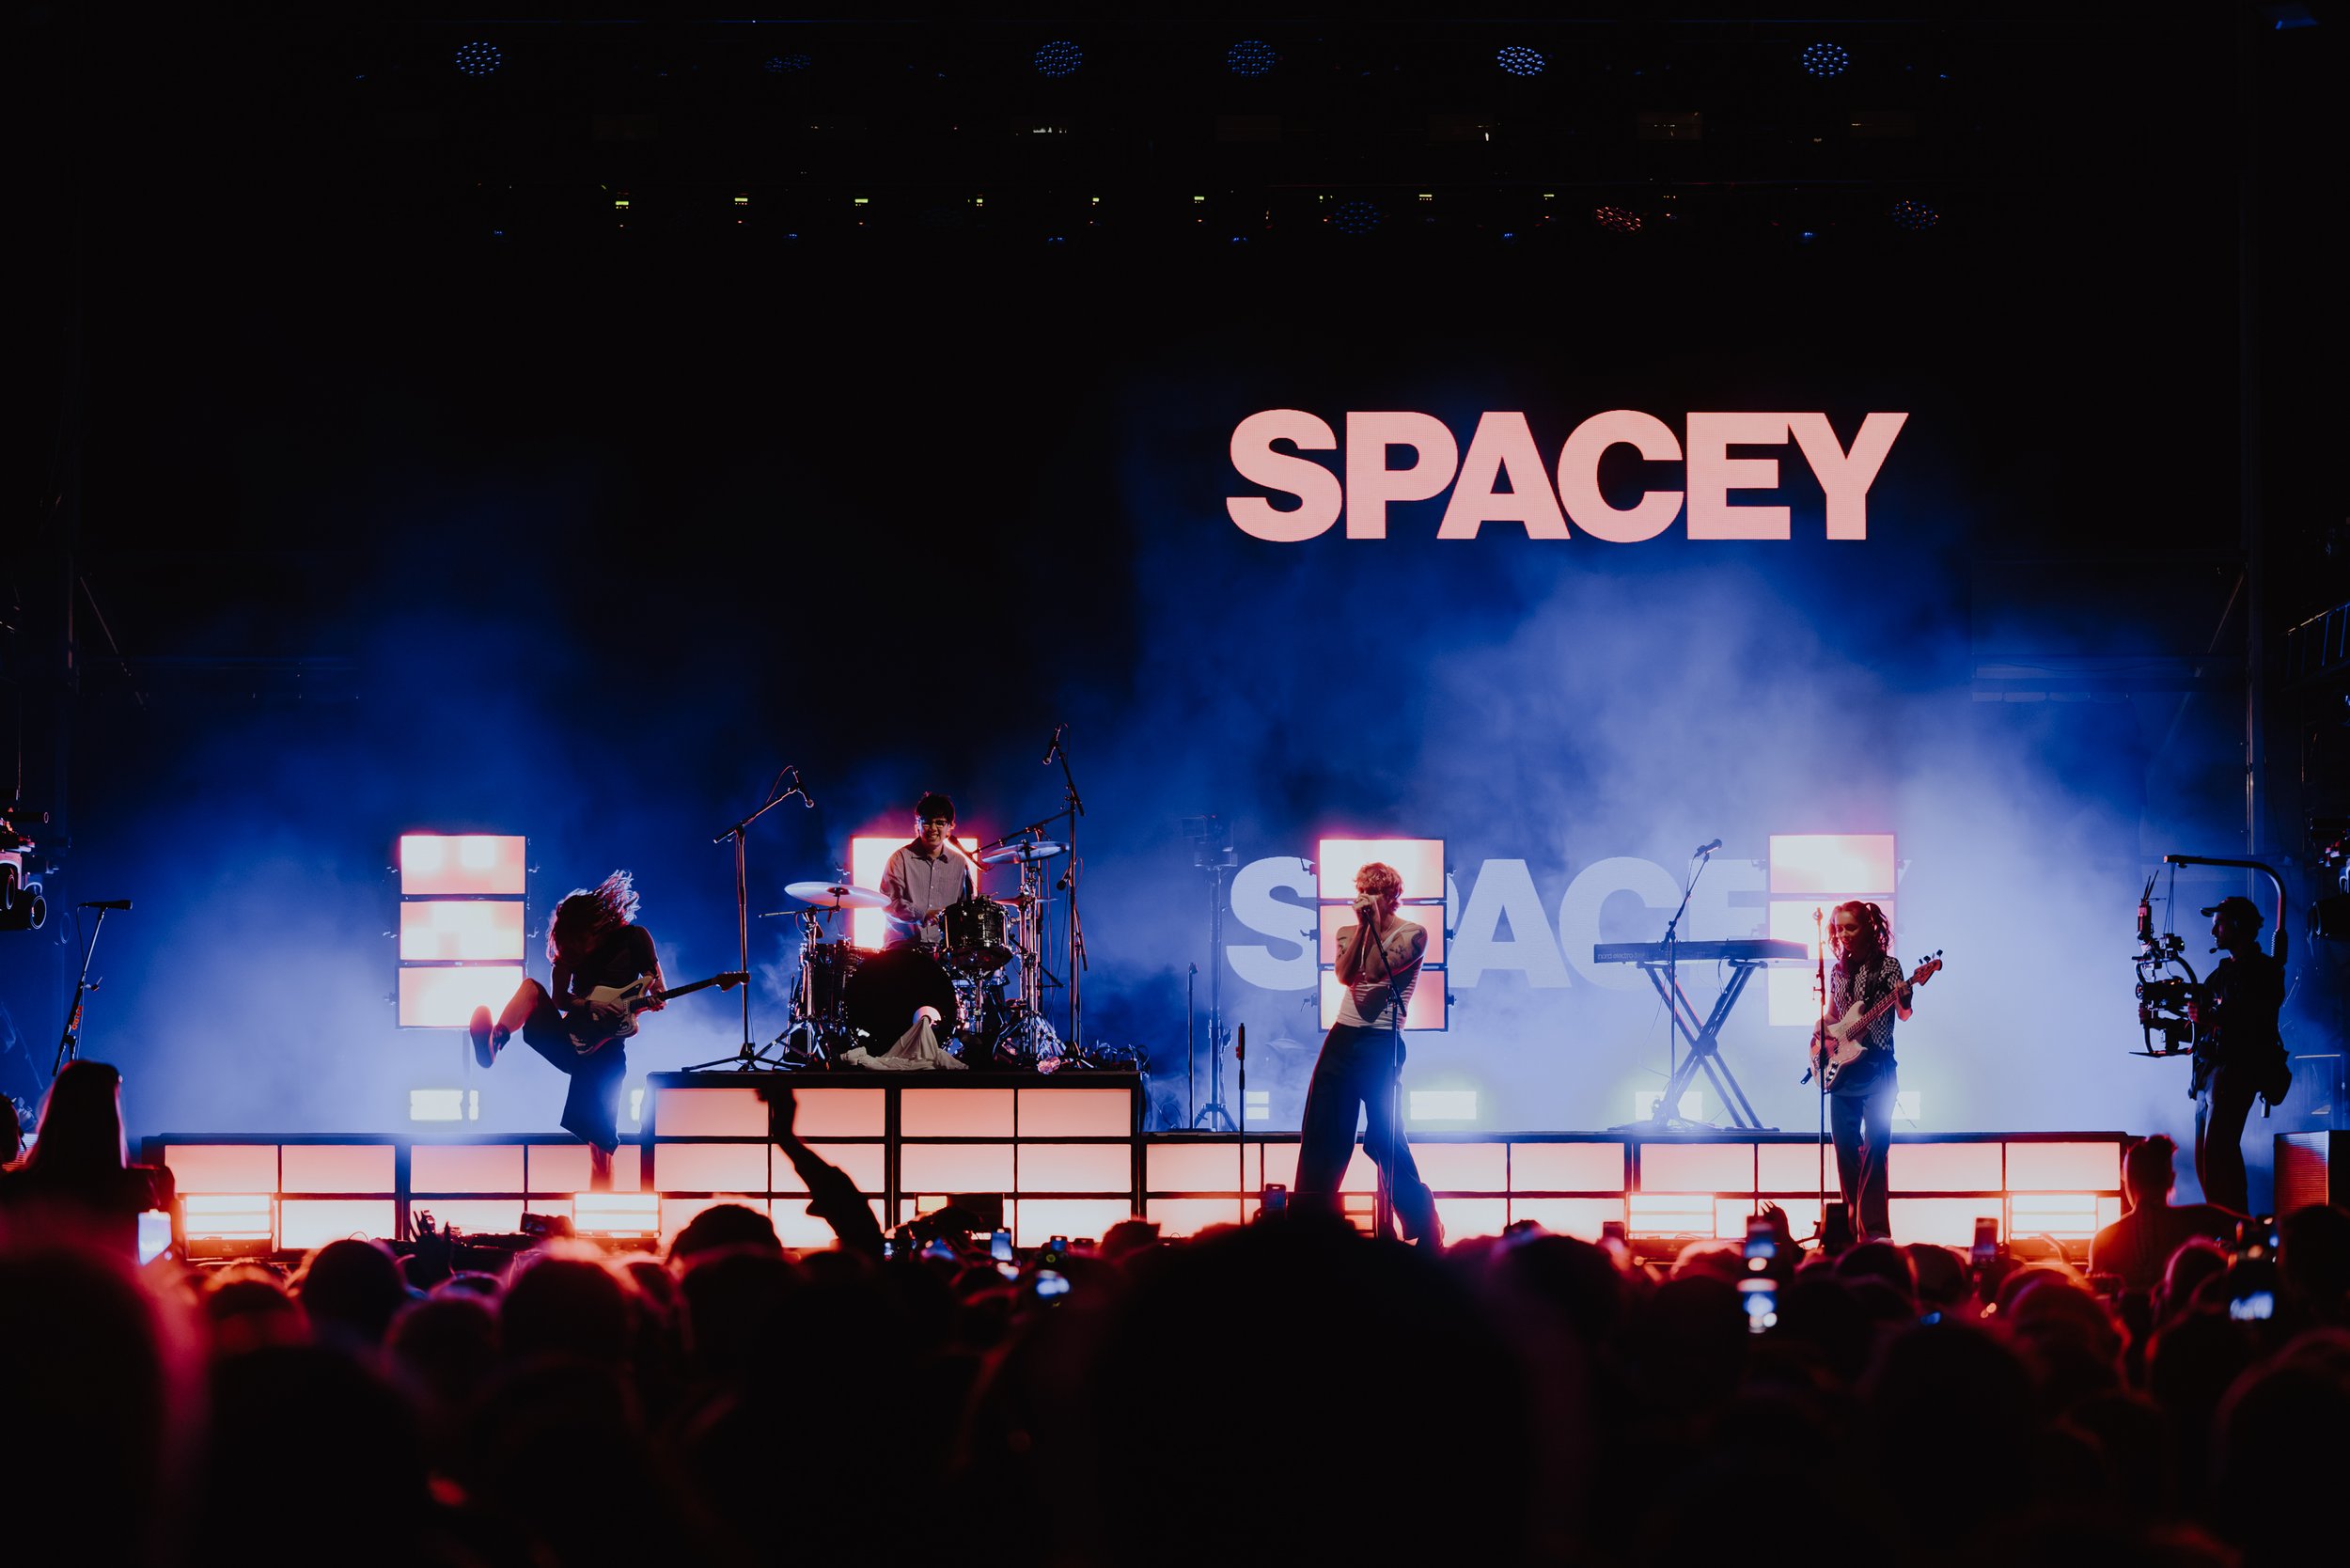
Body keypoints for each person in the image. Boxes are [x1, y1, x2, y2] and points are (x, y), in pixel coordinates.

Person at [469, 870, 665, 1190]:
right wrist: (589, 1005)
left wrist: (653, 1002)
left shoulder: (635, 939)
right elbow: (559, 999)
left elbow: (657, 988)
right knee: (530, 988)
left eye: (581, 942)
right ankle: (495, 1043)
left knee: (600, 1148)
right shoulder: (568, 955)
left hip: (605, 1053)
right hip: (569, 1038)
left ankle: (600, 1211)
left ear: (597, 926)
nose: (578, 951)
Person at [1293, 861, 1440, 1247]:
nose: (1364, 898)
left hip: (1382, 1042)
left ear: (1391, 897)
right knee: (1324, 1132)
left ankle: (1424, 1220)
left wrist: (1372, 925)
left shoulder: (1414, 934)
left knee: (1383, 1137)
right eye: (1361, 890)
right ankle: (1308, 1227)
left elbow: (1374, 972)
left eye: (1372, 892)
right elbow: (1345, 976)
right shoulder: (1348, 932)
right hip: (1342, 1038)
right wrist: (1362, 928)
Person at [0, 1059, 174, 1259]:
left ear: (54, 1112)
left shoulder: (16, 1188)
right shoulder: (136, 1188)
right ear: (111, 1120)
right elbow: (161, 1258)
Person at [2187, 894, 2291, 1215]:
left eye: (2218, 924)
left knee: (2220, 1153)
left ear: (2236, 925)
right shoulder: (2220, 975)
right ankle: (2223, 1220)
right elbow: (2198, 1018)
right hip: (2209, 1074)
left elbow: (2255, 1017)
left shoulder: (2265, 971)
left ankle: (2232, 1223)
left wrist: (2212, 1018)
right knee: (2206, 1159)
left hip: (2236, 1071)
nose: (2213, 932)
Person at [1821, 900, 1913, 1244]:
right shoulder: (1837, 971)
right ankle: (1850, 1231)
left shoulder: (1888, 966)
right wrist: (1820, 1035)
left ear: (1868, 928)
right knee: (1845, 1149)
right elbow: (1834, 1016)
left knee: (1876, 1147)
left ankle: (1874, 1233)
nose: (1843, 934)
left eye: (1851, 927)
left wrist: (1905, 998)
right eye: (1839, 928)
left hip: (1878, 1068)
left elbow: (1903, 1014)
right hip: (1844, 1070)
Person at [2088, 1133, 2240, 1291]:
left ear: (2129, 1182)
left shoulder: (2104, 1241)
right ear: (2170, 1178)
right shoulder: (2203, 1219)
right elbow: (2252, 1231)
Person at [880, 792, 977, 948]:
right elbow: (888, 902)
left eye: (940, 823)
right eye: (927, 823)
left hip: (944, 949)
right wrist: (922, 914)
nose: (933, 828)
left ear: (950, 827)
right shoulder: (899, 859)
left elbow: (966, 909)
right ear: (917, 825)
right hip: (903, 947)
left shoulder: (960, 863)